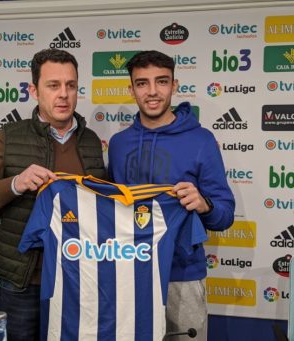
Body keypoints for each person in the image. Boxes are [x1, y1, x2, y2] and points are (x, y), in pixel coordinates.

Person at [0, 48, 106, 341]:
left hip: (79, 280)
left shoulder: (90, 141)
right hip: (24, 283)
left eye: (71, 85)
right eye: (53, 85)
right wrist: (16, 183)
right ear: (34, 90)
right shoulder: (9, 137)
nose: (63, 94)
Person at [107, 50, 235, 341]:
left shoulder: (201, 140)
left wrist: (204, 205)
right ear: (131, 90)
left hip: (183, 276)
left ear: (174, 86)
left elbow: (225, 213)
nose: (152, 92)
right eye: (142, 83)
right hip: (128, 275)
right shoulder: (118, 144)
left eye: (161, 81)